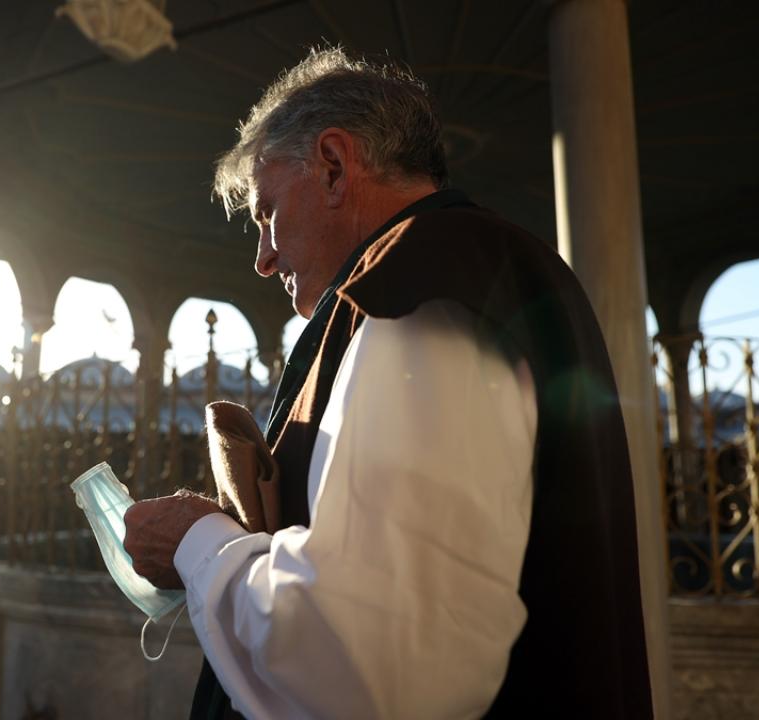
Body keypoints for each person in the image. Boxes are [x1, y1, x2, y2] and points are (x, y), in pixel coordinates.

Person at [123, 47, 652, 719]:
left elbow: (371, 666)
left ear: (333, 167)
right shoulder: (465, 271)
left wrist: (198, 545)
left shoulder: (422, 282)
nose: (263, 259)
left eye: (267, 212)